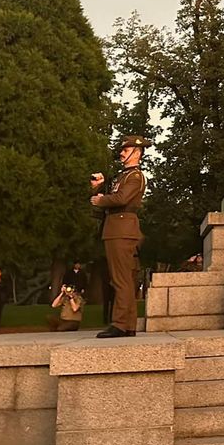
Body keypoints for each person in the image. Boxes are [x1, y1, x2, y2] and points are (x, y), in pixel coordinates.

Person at [90, 136, 150, 339]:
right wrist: (100, 187)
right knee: (124, 279)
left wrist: (100, 200)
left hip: (122, 230)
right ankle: (128, 325)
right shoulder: (123, 176)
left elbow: (121, 198)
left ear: (137, 153)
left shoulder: (134, 177)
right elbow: (114, 196)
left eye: (126, 150)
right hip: (118, 229)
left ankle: (119, 324)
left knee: (121, 280)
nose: (122, 153)